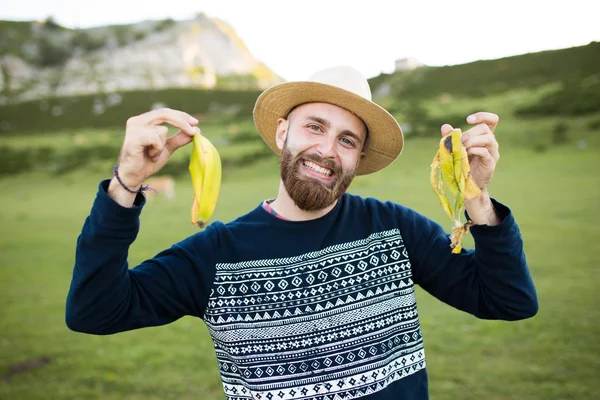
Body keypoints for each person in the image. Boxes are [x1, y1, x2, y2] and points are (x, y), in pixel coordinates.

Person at [66, 66, 538, 400]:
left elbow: (508, 301)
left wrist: (476, 196)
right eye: (315, 127)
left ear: (357, 160)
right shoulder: (216, 255)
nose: (327, 150)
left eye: (347, 140)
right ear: (281, 133)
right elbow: (95, 311)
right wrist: (126, 184)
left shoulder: (393, 228)